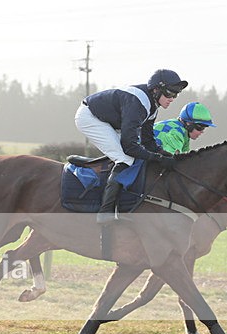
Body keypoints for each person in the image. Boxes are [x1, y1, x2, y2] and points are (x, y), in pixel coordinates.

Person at [75, 69, 188, 223]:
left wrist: (165, 154)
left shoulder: (152, 106)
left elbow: (148, 142)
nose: (172, 98)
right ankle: (105, 213)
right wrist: (158, 158)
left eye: (175, 95)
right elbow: (129, 146)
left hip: (107, 120)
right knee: (125, 158)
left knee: (129, 156)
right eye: (169, 94)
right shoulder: (138, 104)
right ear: (156, 90)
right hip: (90, 117)